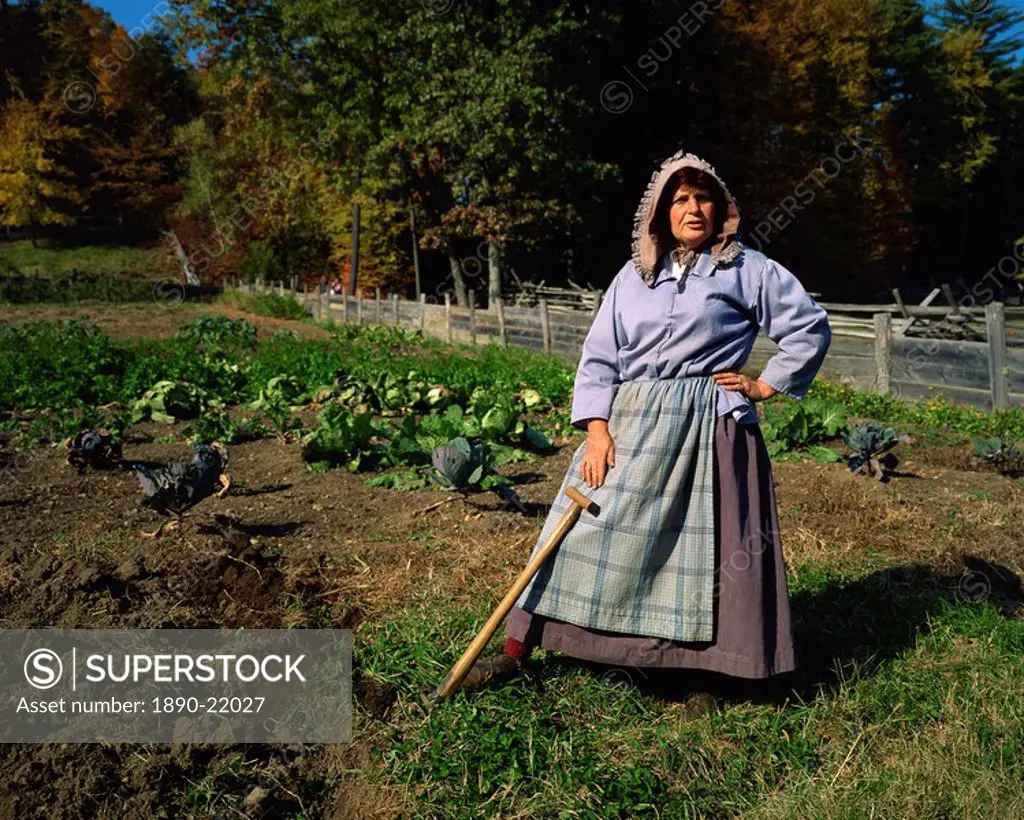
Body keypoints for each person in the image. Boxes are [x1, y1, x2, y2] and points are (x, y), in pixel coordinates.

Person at [457, 151, 832, 693]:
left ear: (721, 207)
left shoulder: (748, 269)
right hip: (630, 423)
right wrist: (597, 429)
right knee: (577, 528)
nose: (694, 208)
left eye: (704, 197)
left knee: (707, 550)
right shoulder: (634, 277)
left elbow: (809, 328)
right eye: (681, 199)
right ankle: (519, 648)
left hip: (710, 428)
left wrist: (765, 384)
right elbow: (599, 356)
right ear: (661, 211)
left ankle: (709, 671)